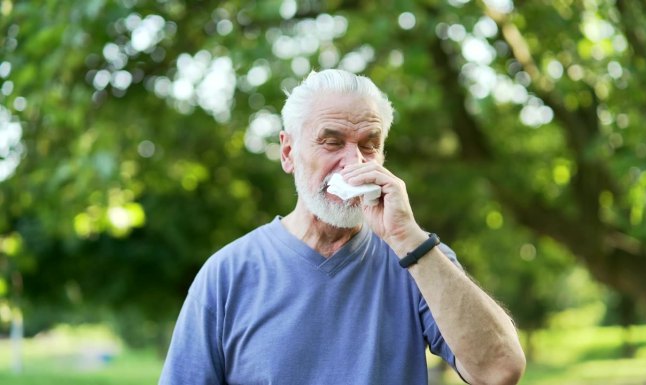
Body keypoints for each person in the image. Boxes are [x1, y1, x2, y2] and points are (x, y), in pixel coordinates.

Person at [159, 69, 526, 385]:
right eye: (331, 142)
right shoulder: (227, 274)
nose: (353, 162)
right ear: (288, 153)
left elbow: (500, 370)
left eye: (370, 145)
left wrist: (407, 238)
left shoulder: (418, 259)